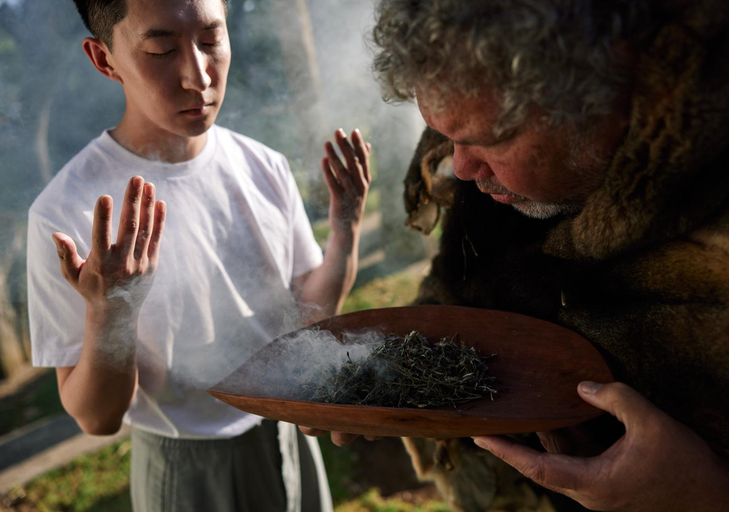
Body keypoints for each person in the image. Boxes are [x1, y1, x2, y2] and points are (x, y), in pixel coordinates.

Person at [304, 1, 729, 511]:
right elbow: (464, 286)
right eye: (447, 137)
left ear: (608, 91)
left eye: (490, 140)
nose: (459, 168)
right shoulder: (488, 105)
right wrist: (399, 372)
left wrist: (706, 491)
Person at [26, 0, 371, 510]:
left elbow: (308, 319)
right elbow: (97, 419)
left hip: (290, 439)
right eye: (162, 49)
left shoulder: (264, 167)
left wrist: (345, 233)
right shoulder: (69, 211)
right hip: (185, 468)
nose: (198, 75)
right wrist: (111, 314)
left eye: (211, 40)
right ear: (105, 60)